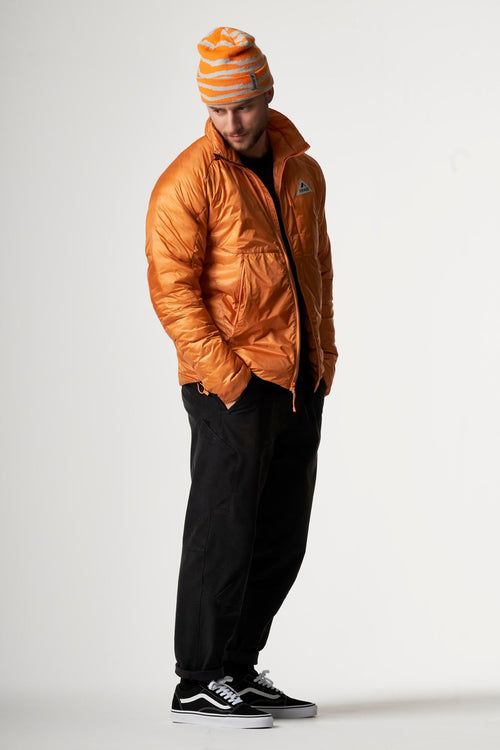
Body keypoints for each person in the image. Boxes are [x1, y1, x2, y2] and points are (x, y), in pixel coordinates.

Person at [145, 26, 338, 729]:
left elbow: (317, 267)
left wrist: (324, 357)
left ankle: (237, 669)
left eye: (245, 105)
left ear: (268, 92)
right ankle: (198, 680)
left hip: (297, 379)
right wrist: (229, 378)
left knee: (282, 535)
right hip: (229, 384)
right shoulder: (189, 181)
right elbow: (173, 292)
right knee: (223, 532)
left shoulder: (302, 170)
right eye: (219, 109)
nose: (233, 121)